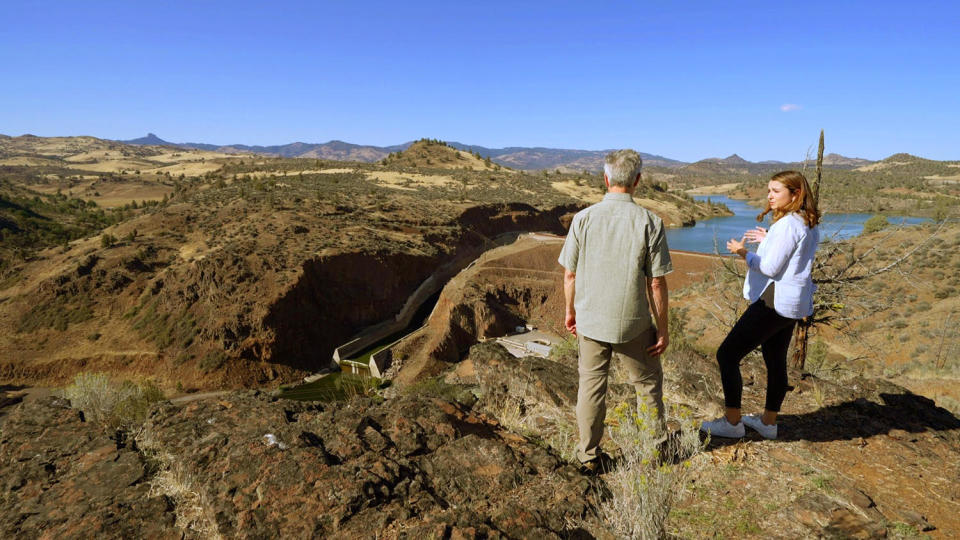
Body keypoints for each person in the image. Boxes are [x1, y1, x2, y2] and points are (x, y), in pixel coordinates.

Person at [558, 149, 672, 473]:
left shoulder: (583, 219)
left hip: (591, 321)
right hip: (634, 323)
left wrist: (571, 312)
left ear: (606, 179)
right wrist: (662, 328)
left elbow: (570, 274)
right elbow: (656, 283)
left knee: (591, 387)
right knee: (647, 385)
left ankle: (588, 456)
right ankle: (652, 455)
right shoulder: (651, 221)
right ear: (637, 181)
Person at [700, 170, 821, 440]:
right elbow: (795, 256)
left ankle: (732, 424)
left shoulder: (789, 224)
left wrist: (743, 253)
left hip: (774, 301)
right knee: (775, 359)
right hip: (793, 303)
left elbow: (769, 267)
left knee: (727, 355)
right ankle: (768, 422)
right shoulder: (807, 222)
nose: (769, 195)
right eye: (769, 190)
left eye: (776, 191)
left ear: (796, 194)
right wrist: (769, 240)